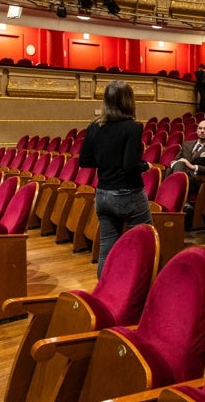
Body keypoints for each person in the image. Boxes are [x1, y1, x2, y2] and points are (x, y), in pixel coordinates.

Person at [78, 81, 153, 277]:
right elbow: (130, 166)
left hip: (102, 194)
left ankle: (105, 286)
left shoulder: (94, 126)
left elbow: (85, 161)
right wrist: (146, 166)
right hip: (127, 193)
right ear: (128, 101)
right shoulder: (132, 127)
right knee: (145, 241)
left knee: (107, 247)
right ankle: (139, 285)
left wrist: (107, 161)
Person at [169, 119, 205, 194]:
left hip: (197, 179)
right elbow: (175, 160)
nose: (202, 131)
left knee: (178, 167)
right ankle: (176, 197)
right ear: (197, 130)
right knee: (175, 166)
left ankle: (169, 197)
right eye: (200, 128)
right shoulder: (187, 144)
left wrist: (192, 166)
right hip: (182, 173)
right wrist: (175, 163)